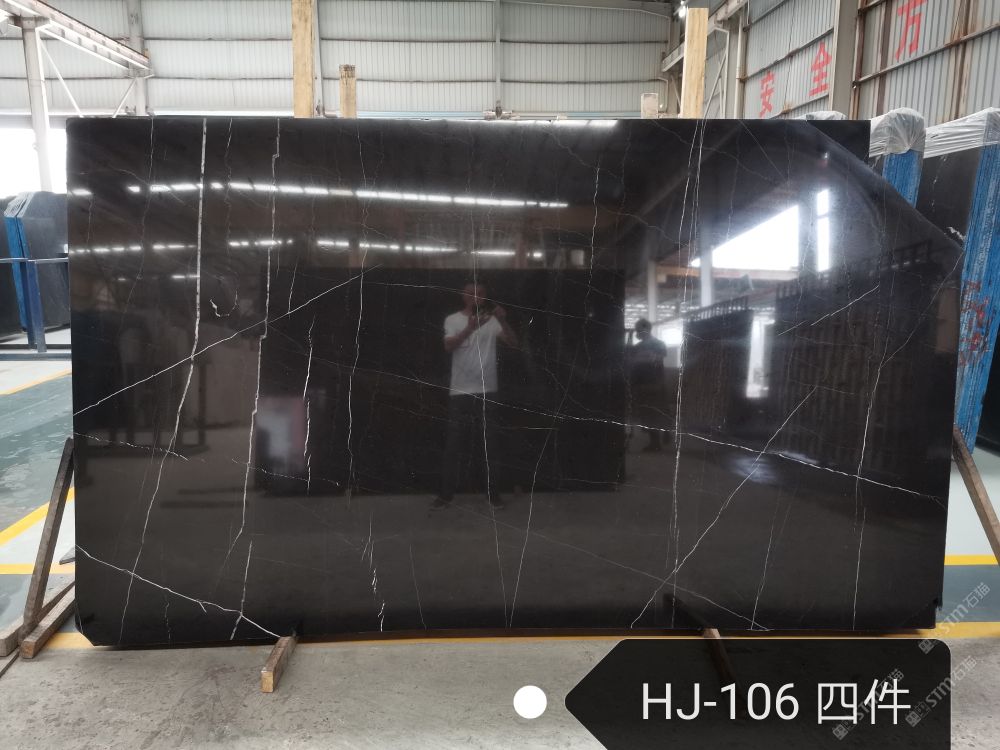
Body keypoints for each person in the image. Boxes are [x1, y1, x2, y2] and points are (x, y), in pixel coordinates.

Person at [434, 280, 518, 509]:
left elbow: (513, 343)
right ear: (463, 296)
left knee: (491, 445)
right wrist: (469, 329)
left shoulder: (492, 321)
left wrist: (503, 320)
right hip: (460, 390)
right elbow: (448, 346)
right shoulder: (452, 319)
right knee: (453, 445)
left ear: (485, 297)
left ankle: (493, 495)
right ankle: (446, 495)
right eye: (470, 293)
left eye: (479, 293)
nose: (475, 297)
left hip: (487, 390)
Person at [628, 318, 669, 451]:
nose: (636, 333)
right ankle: (660, 436)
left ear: (645, 329)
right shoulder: (638, 347)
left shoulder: (658, 344)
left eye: (638, 330)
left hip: (653, 383)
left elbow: (656, 359)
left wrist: (638, 358)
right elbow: (630, 360)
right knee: (648, 413)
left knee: (652, 413)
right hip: (643, 383)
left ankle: (656, 442)